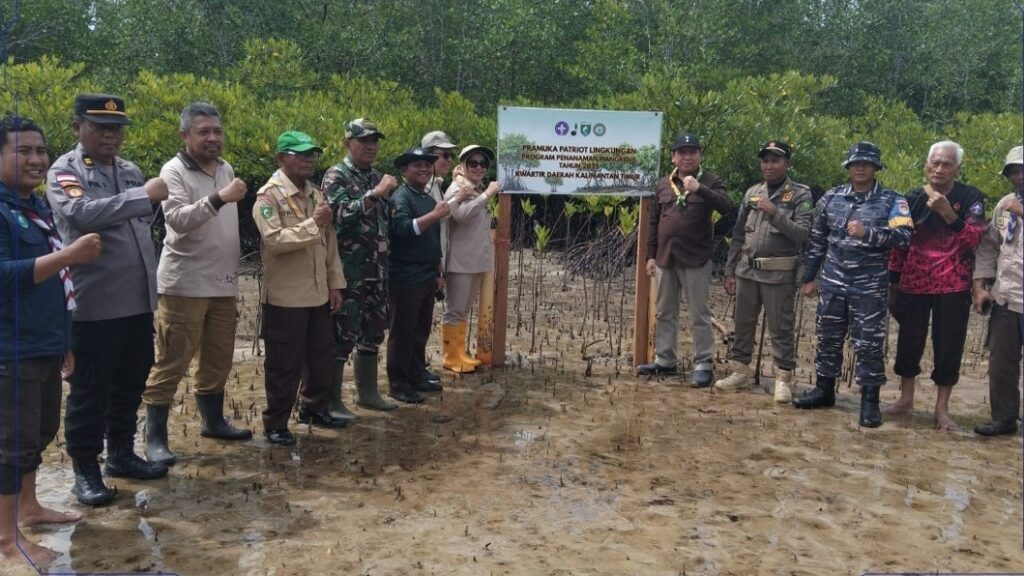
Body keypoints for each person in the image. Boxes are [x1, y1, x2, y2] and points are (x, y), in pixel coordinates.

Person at [47, 93, 170, 506]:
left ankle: (120, 453)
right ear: (77, 126)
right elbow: (81, 214)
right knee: (89, 390)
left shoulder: (131, 171)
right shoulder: (65, 170)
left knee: (130, 382)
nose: (110, 135)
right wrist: (144, 197)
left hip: (137, 301)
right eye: (100, 126)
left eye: (116, 127)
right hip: (94, 305)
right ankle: (85, 468)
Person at [0, 117, 100, 566]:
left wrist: (65, 339)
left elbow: (56, 283)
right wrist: (69, 254)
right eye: (23, 151)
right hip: (11, 348)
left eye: (41, 150)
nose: (37, 159)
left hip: (44, 341)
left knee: (38, 433)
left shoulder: (35, 206)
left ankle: (28, 507)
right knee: (10, 444)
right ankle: (6, 540)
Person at [142, 102, 251, 467]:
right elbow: (177, 221)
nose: (212, 138)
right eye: (203, 131)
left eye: (217, 131)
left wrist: (223, 191)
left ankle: (213, 421)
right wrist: (220, 197)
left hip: (223, 283)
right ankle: (155, 435)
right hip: (184, 284)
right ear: (184, 135)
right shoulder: (173, 171)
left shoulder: (225, 168)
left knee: (218, 358)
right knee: (172, 360)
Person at [794, 142, 913, 427]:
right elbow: (817, 239)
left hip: (869, 286)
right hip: (833, 281)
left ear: (875, 168)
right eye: (855, 163)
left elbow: (905, 236)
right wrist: (809, 277)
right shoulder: (832, 197)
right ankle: (824, 390)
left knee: (869, 344)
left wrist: (868, 233)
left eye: (866, 164)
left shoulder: (892, 200)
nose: (860, 168)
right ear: (848, 167)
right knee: (828, 336)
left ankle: (869, 402)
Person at [884, 141, 986, 431]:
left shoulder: (971, 198)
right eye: (936, 163)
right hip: (914, 283)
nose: (940, 169)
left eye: (947, 164)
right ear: (926, 164)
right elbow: (898, 246)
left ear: (957, 168)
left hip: (953, 285)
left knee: (949, 346)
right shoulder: (910, 199)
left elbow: (975, 239)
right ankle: (906, 399)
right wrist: (893, 285)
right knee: (908, 343)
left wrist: (948, 213)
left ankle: (941, 410)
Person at [253, 131, 347, 445]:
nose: (308, 159)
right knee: (284, 365)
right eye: (300, 154)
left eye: (312, 154)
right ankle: (276, 423)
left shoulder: (317, 194)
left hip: (318, 294)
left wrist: (335, 284)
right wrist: (312, 224)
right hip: (285, 298)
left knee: (321, 356)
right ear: (282, 157)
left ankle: (314, 408)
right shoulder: (268, 196)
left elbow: (329, 244)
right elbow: (275, 241)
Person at [717, 141, 813, 402]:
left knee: (780, 327)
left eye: (775, 160)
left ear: (787, 164)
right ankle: (739, 371)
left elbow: (803, 234)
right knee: (743, 324)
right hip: (747, 271)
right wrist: (729, 271)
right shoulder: (752, 193)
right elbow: (738, 234)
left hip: (779, 274)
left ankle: (783, 378)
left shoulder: (800, 194)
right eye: (765, 160)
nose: (769, 166)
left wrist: (775, 214)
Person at [638, 132, 732, 386]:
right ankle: (665, 360)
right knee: (665, 312)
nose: (687, 156)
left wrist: (699, 189)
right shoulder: (662, 184)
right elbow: (655, 222)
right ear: (673, 157)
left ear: (700, 155)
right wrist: (650, 256)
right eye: (682, 152)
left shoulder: (711, 181)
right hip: (665, 259)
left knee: (699, 314)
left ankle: (703, 363)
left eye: (692, 152)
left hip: (696, 258)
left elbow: (726, 207)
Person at [321, 118, 398, 414]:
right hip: (348, 273)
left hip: (377, 272)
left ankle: (367, 394)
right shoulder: (335, 176)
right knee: (342, 335)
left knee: (373, 332)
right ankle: (332, 399)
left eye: (375, 140)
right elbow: (338, 214)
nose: (371, 146)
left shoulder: (378, 176)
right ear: (347, 143)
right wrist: (375, 194)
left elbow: (384, 223)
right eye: (364, 140)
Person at [387, 148, 452, 403]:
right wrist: (434, 215)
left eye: (427, 165)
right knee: (402, 332)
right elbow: (402, 230)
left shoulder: (426, 197)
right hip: (406, 275)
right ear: (404, 170)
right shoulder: (401, 197)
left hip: (427, 274)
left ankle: (416, 373)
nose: (424, 169)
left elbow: (432, 239)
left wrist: (438, 271)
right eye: (417, 165)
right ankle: (398, 383)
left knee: (420, 329)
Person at [972, 145, 1023, 437]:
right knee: (1001, 364)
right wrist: (980, 285)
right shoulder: (1004, 205)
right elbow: (989, 247)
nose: (1019, 176)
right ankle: (1004, 419)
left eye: (1023, 170)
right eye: (1014, 171)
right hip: (1007, 297)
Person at [441, 145, 501, 373]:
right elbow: (459, 215)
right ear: (463, 164)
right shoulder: (458, 187)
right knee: (454, 310)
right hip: (459, 262)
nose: (479, 167)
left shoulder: (475, 188)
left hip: (475, 261)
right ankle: (450, 357)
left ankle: (460, 353)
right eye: (473, 163)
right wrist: (487, 196)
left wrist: (484, 194)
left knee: (464, 311)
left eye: (483, 164)